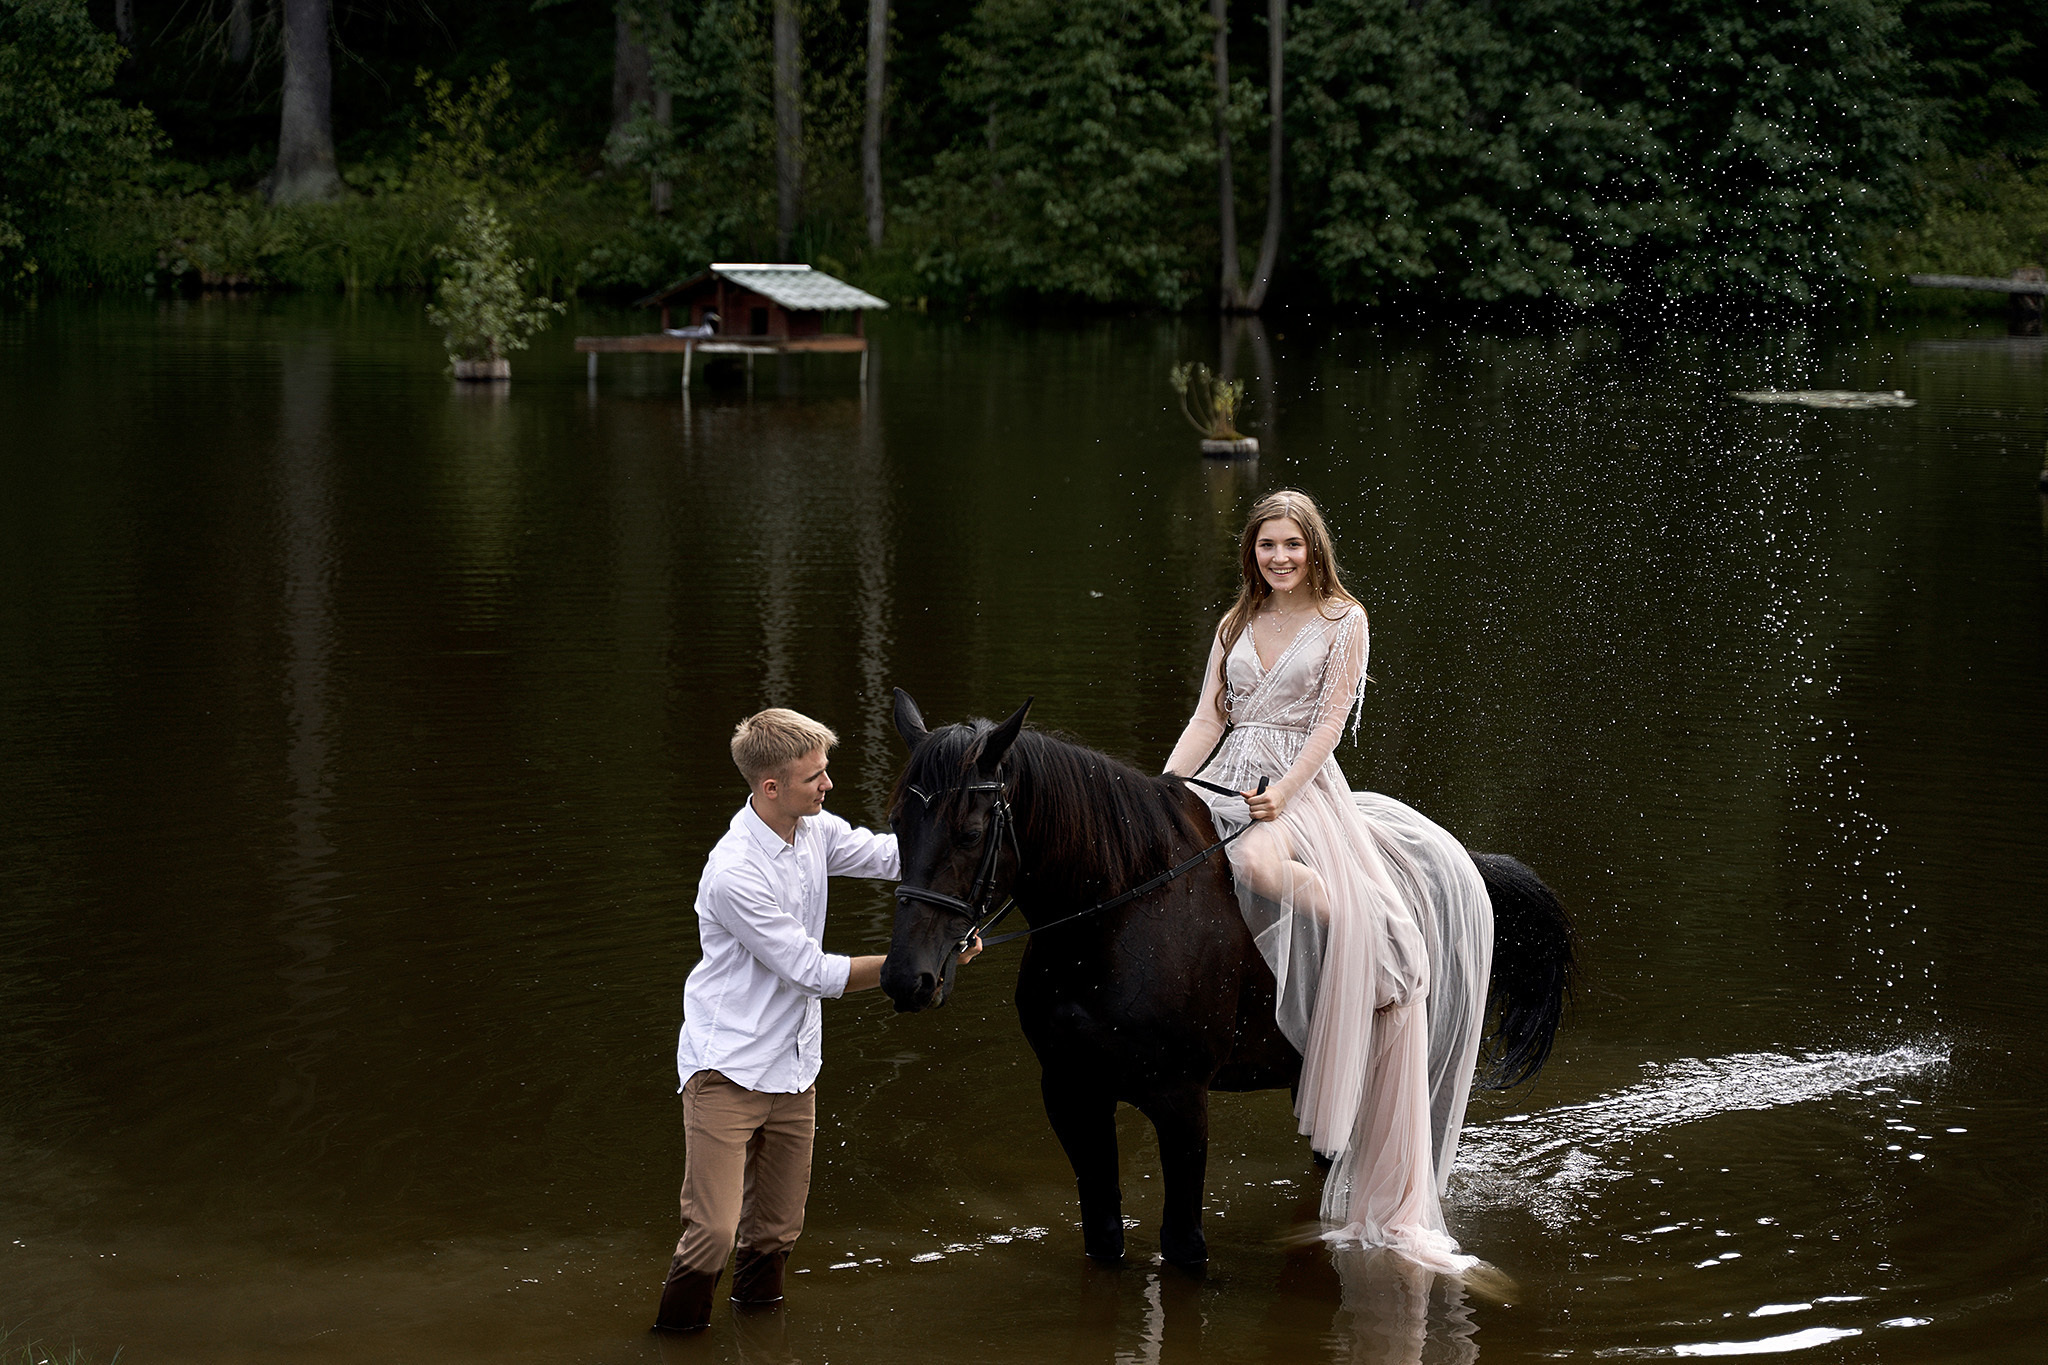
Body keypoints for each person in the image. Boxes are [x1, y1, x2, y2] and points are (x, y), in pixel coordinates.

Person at [1161, 490, 1493, 1273]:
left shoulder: (1345, 619)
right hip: (1228, 774)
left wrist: (1283, 792)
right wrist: (1163, 791)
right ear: (1252, 552)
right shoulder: (1235, 621)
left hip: (1300, 785)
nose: (1279, 557)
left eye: (1292, 545)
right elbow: (1210, 718)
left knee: (1257, 863)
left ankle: (1369, 926)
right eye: (1266, 545)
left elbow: (1328, 723)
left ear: (1314, 549)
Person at [655, 707, 980, 1331]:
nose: (828, 784)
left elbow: (891, 856)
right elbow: (810, 971)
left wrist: (966, 842)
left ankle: (759, 1336)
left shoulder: (814, 831)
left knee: (777, 1231)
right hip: (726, 1070)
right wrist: (919, 959)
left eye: (825, 770)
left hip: (796, 1067)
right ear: (770, 787)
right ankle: (676, 1341)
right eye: (814, 777)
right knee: (713, 1234)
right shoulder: (733, 873)